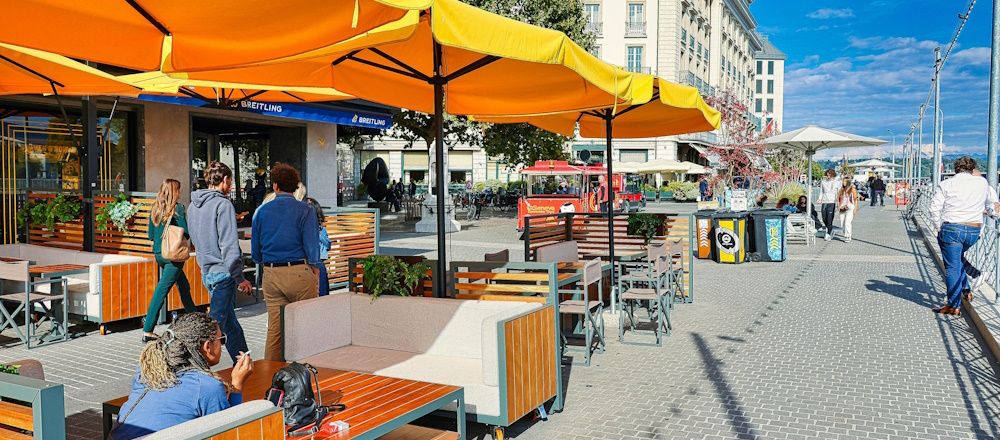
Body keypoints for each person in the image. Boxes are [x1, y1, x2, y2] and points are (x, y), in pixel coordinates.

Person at [110, 313, 254, 440]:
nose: (223, 345)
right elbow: (228, 432)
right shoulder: (207, 387)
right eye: (221, 339)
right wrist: (237, 384)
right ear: (207, 346)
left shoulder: (148, 370)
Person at [251, 163, 320, 361]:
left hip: (271, 273)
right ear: (295, 187)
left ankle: (270, 377)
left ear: (275, 186)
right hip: (299, 271)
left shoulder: (261, 211)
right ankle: (306, 372)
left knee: (275, 330)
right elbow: (312, 246)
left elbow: (256, 253)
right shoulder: (304, 210)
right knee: (306, 326)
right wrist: (315, 269)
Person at [188, 161, 251, 364]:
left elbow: (196, 239)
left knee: (230, 325)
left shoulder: (193, 205)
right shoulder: (223, 204)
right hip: (223, 272)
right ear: (224, 180)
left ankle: (244, 364)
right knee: (213, 329)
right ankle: (193, 367)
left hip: (206, 271)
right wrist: (239, 277)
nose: (230, 187)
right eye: (230, 182)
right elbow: (229, 245)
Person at [930, 156, 1000, 315]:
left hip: (952, 229)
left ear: (956, 169)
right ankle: (966, 290)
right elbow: (991, 205)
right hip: (973, 231)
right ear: (972, 168)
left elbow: (934, 209)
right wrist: (992, 215)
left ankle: (954, 305)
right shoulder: (982, 182)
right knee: (957, 258)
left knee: (952, 266)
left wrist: (937, 226)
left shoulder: (946, 184)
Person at [141, 179, 197, 343]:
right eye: (179, 190)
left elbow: (150, 235)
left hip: (159, 254)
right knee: (161, 291)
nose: (180, 193)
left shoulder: (155, 208)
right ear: (175, 191)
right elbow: (185, 233)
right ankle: (148, 329)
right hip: (173, 256)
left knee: (184, 286)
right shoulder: (177, 209)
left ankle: (194, 319)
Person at [306, 198, 331, 296]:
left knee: (321, 292)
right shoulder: (319, 229)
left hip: (316, 261)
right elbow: (328, 245)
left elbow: (328, 244)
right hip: (313, 262)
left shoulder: (320, 229)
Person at [819, 169, 840, 241]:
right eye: (827, 175)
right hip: (824, 201)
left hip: (832, 201)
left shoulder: (837, 182)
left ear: (833, 175)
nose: (828, 176)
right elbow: (821, 191)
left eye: (830, 175)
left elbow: (839, 192)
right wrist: (820, 198)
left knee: (829, 218)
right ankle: (829, 229)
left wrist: (839, 200)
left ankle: (829, 232)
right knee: (824, 217)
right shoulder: (823, 182)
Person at [836, 176, 859, 242]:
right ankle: (845, 234)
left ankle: (848, 236)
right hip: (842, 207)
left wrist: (855, 208)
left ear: (848, 182)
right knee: (842, 223)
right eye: (843, 181)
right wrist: (839, 205)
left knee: (847, 222)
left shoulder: (852, 189)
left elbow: (855, 199)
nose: (844, 182)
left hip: (850, 206)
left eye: (845, 181)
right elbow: (838, 199)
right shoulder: (841, 189)